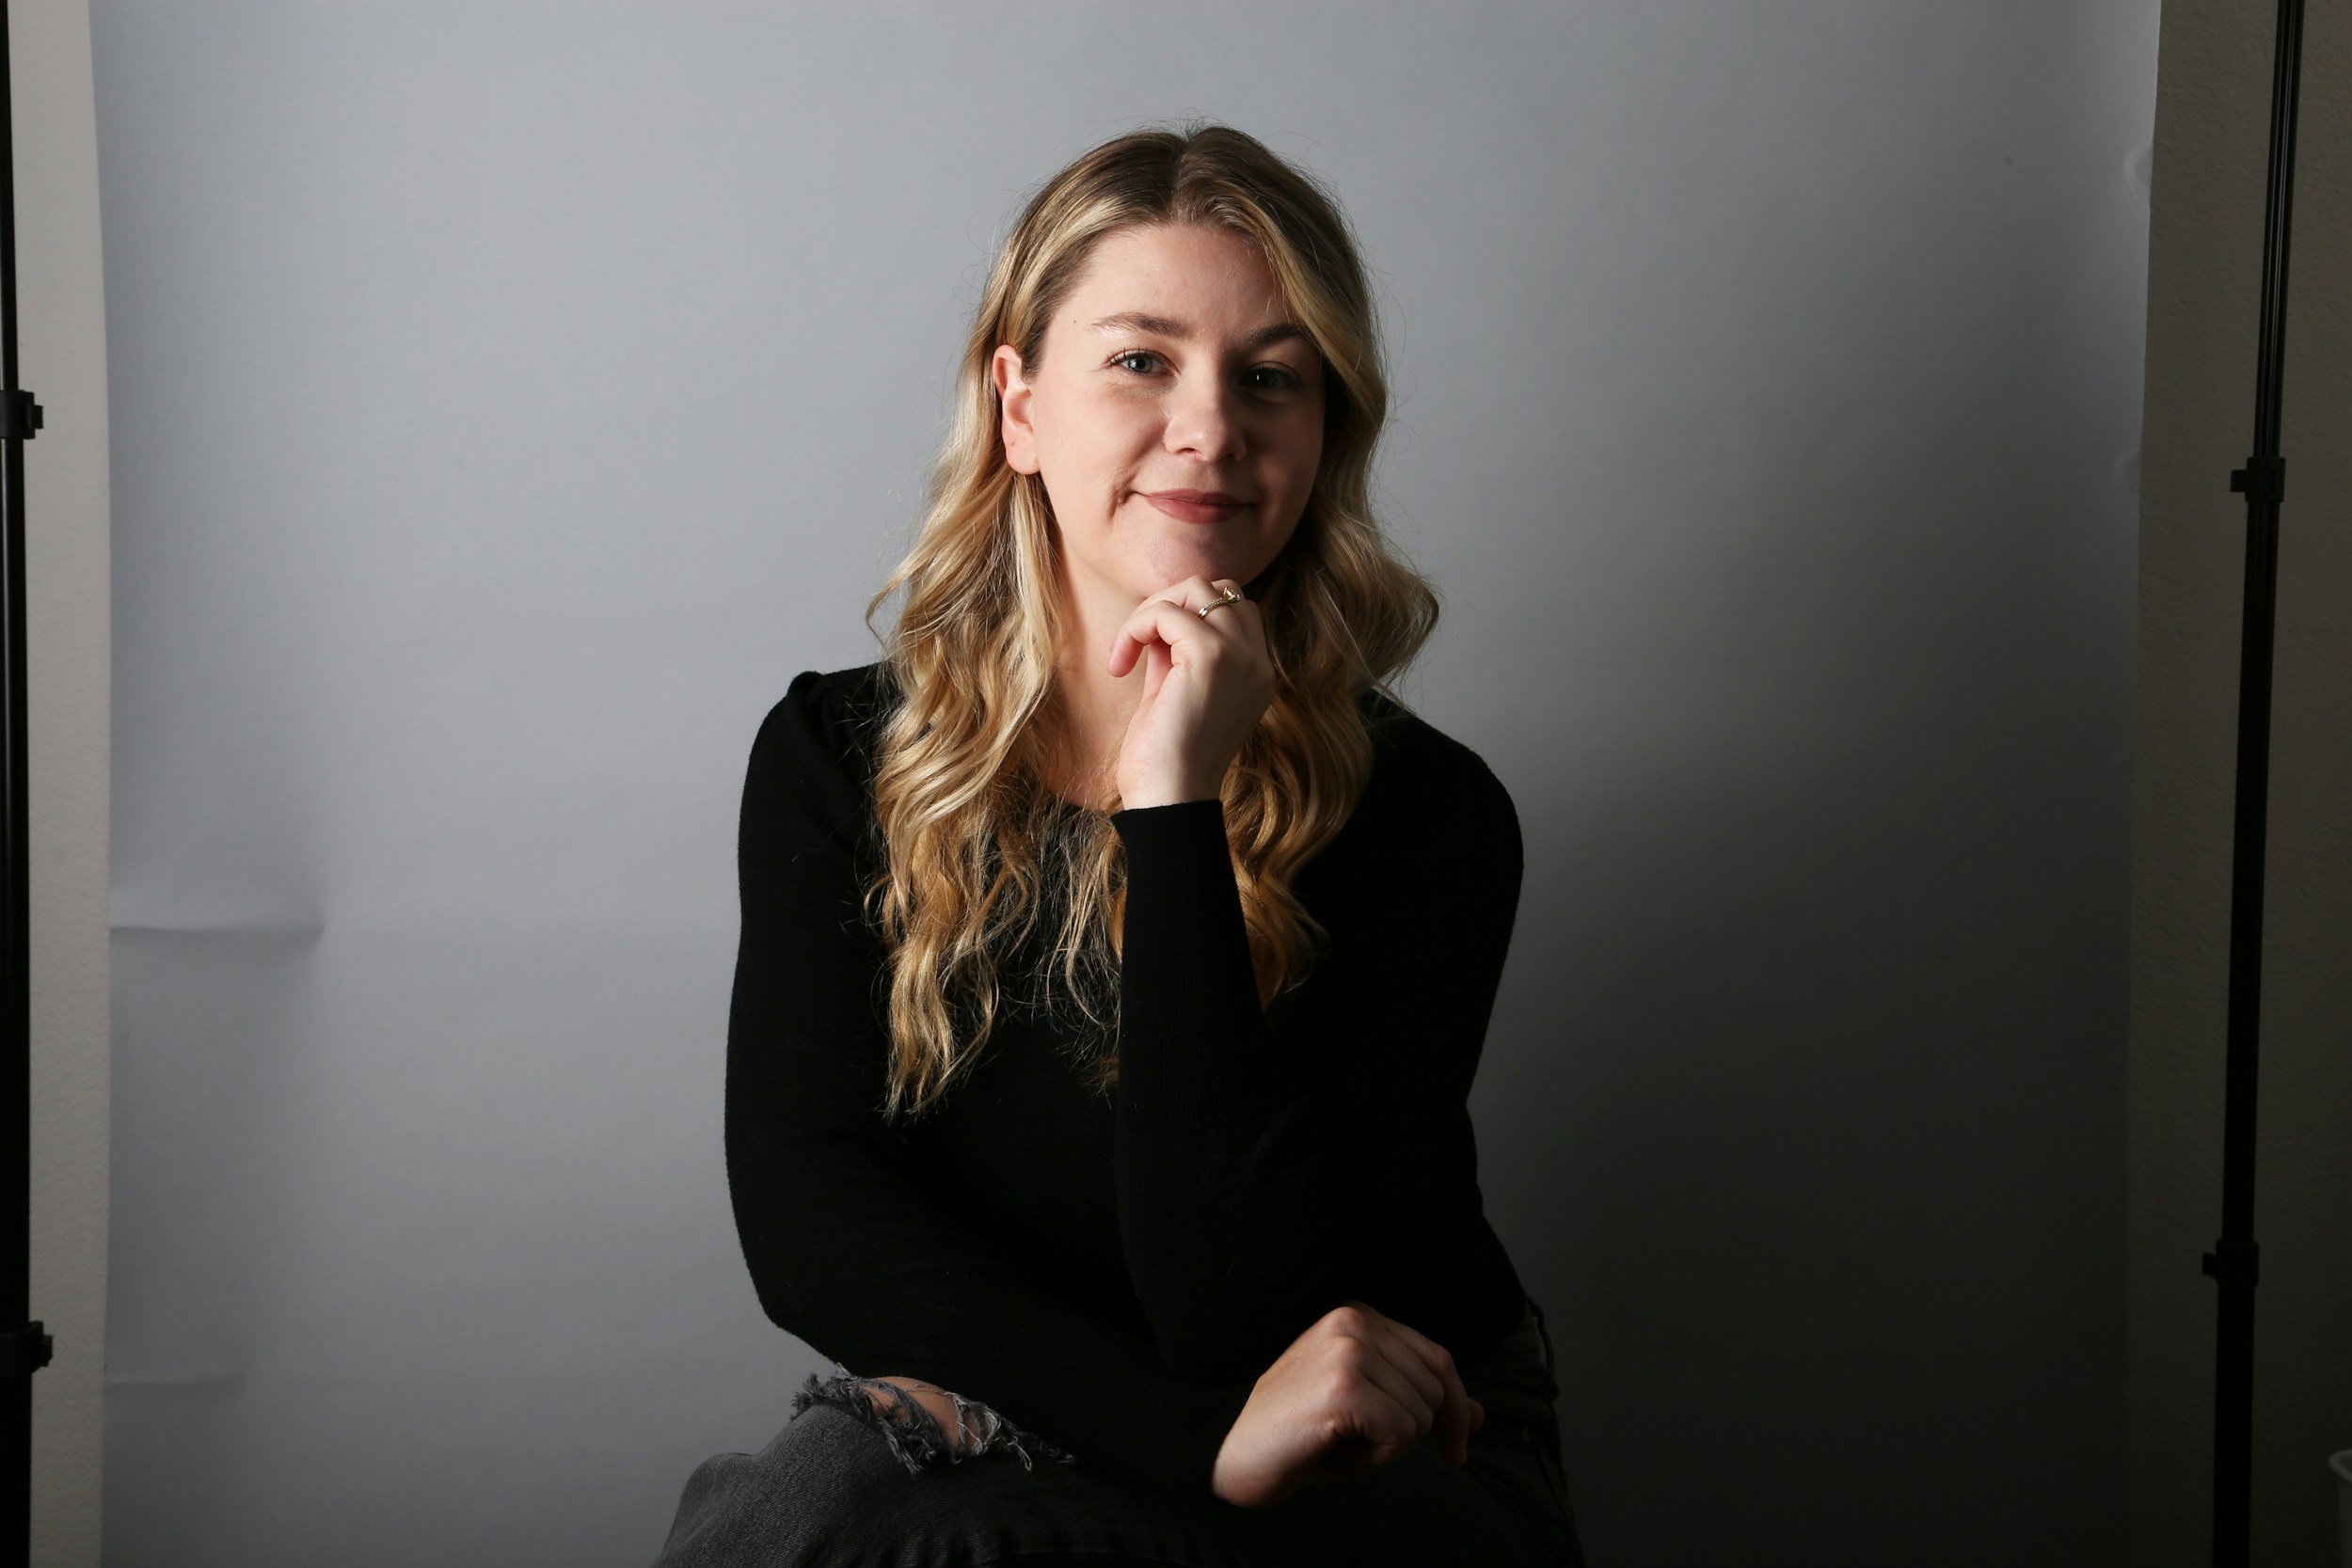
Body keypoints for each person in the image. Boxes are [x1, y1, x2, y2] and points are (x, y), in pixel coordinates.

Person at [651, 121, 1584, 1567]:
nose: (1211, 427)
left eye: (1271, 376)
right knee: (793, 1525)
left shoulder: (1430, 816)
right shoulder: (838, 759)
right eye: (1141, 360)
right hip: (1036, 1401)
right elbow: (810, 1216)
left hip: (1362, 1434)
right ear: (1019, 407)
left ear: (1323, 428)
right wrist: (1188, 1439)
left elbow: (1237, 1308)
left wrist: (1174, 808)